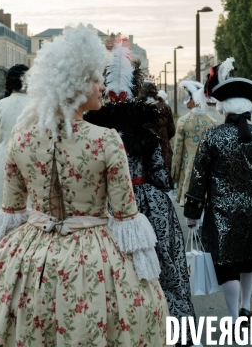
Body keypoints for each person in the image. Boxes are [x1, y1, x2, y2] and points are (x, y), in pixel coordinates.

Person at [0, 25, 170, 346]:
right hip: (93, 257)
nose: (101, 85)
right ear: (74, 84)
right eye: (93, 78)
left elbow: (11, 211)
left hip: (30, 254)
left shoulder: (22, 138)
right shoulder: (105, 140)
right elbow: (126, 216)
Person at [85, 38, 197, 346]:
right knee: (165, 270)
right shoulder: (146, 138)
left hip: (110, 208)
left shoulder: (98, 136)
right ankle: (177, 332)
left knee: (116, 275)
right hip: (152, 207)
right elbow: (160, 177)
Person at [183, 57, 252, 324]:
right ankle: (247, 304)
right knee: (249, 259)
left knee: (226, 266)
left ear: (224, 109)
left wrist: (192, 213)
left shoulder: (213, 136)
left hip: (221, 213)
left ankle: (234, 316)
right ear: (250, 108)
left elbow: (199, 176)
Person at [0, 64, 30, 211]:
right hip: (31, 161)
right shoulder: (37, 105)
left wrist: (4, 140)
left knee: (4, 210)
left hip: (5, 160)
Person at [172, 80, 217, 206]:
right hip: (208, 172)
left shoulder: (183, 121)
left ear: (193, 100)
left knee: (190, 208)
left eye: (188, 98)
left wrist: (174, 174)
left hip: (188, 171)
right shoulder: (212, 122)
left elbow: (177, 151)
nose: (186, 101)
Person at [138, 81, 176, 186]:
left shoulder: (138, 107)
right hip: (164, 149)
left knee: (146, 182)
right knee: (164, 182)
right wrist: (163, 137)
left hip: (144, 150)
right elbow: (172, 130)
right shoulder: (165, 107)